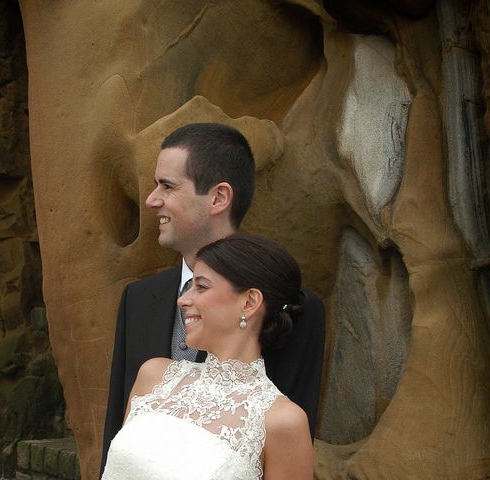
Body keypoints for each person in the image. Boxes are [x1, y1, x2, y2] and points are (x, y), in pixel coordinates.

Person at [101, 123, 325, 472]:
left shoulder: (296, 308)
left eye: (168, 186)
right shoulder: (139, 299)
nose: (151, 199)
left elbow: (287, 450)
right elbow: (116, 435)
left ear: (219, 197)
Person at [102, 234, 314, 479]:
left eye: (201, 286)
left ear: (250, 302)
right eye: (189, 285)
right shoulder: (154, 376)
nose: (182, 299)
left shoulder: (282, 421)